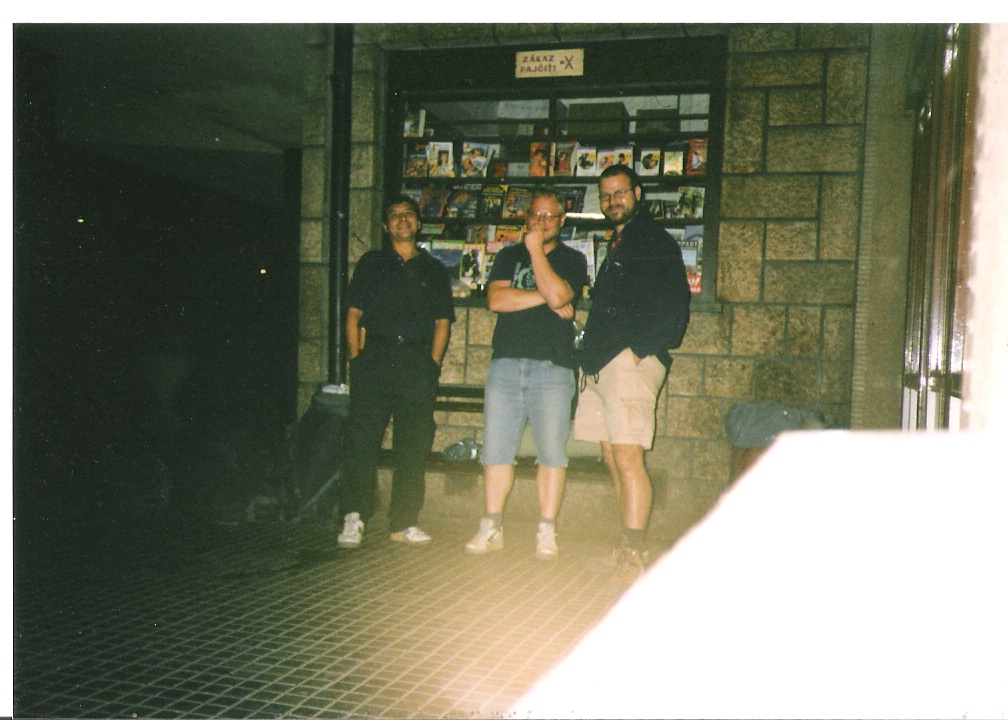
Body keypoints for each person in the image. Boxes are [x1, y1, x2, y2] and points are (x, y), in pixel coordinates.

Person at [572, 165, 691, 582]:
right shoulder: (621, 241)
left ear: (637, 193)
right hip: (601, 364)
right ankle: (626, 545)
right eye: (605, 195)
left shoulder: (653, 240)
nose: (612, 201)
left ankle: (635, 555)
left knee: (627, 456)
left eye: (619, 193)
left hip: (627, 363)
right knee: (612, 457)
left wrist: (637, 352)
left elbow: (675, 307)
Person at [465, 186, 588, 559]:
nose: (542, 221)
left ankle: (546, 531)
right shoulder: (507, 255)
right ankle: (491, 527)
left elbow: (561, 294)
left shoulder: (573, 259)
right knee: (496, 451)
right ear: (526, 217)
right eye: (536, 214)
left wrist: (535, 252)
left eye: (550, 216)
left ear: (561, 221)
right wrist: (548, 297)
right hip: (505, 365)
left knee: (551, 453)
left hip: (553, 368)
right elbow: (496, 299)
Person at [338, 195, 455, 549]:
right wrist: (356, 361)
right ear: (385, 226)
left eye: (408, 214)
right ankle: (354, 516)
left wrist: (432, 365)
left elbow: (442, 322)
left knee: (413, 446)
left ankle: (403, 521)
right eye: (394, 215)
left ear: (418, 222)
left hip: (416, 364)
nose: (402, 220)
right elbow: (353, 315)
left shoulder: (434, 269)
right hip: (375, 360)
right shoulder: (371, 263)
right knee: (361, 441)